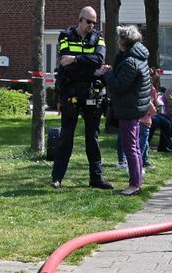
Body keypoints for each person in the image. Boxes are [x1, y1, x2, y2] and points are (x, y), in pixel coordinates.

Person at [50, 6, 113, 190]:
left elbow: (99, 60)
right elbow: (64, 61)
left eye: (94, 22)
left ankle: (96, 178)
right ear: (80, 19)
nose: (91, 25)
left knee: (92, 138)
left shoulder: (98, 38)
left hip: (92, 92)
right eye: (88, 21)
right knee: (66, 137)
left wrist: (76, 59)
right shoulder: (65, 36)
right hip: (71, 92)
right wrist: (86, 61)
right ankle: (57, 178)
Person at [102, 25, 152, 196]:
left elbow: (118, 85)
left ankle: (134, 184)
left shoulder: (131, 61)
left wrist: (106, 74)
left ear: (123, 41)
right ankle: (137, 181)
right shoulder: (137, 56)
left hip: (129, 108)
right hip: (135, 107)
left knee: (130, 147)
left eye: (118, 38)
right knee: (135, 146)